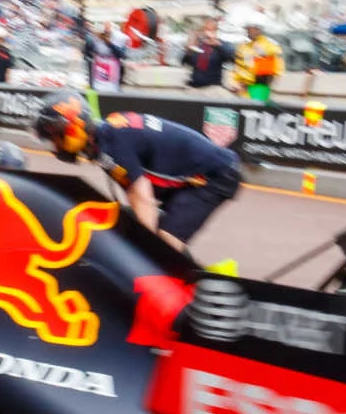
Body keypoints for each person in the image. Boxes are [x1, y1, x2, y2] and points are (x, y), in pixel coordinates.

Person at [33, 92, 239, 252]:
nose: (55, 143)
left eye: (55, 136)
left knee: (165, 242)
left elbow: (142, 196)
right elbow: (135, 192)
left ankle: (174, 286)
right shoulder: (105, 139)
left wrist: (145, 250)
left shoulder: (111, 143)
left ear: (74, 126)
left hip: (214, 176)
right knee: (146, 228)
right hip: (200, 174)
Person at [234, 21, 283, 101]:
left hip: (257, 89)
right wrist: (236, 82)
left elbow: (265, 75)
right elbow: (239, 66)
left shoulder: (267, 46)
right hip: (242, 90)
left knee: (256, 106)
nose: (247, 31)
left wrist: (248, 86)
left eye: (249, 28)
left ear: (257, 29)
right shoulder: (245, 46)